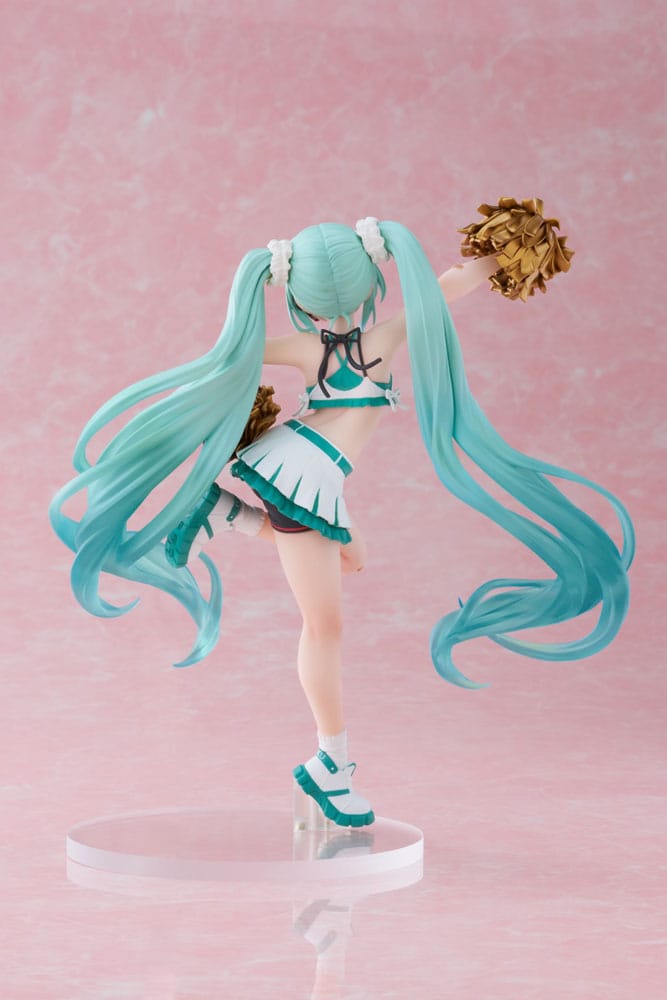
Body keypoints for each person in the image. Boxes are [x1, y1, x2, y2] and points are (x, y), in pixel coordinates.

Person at [49, 215, 634, 828]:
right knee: (323, 626)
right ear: (369, 281)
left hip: (297, 464)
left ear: (299, 297)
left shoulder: (307, 349)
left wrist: (246, 314)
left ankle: (222, 512)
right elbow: (447, 286)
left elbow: (235, 355)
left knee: (351, 558)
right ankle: (332, 761)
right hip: (306, 474)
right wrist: (506, 252)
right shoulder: (382, 339)